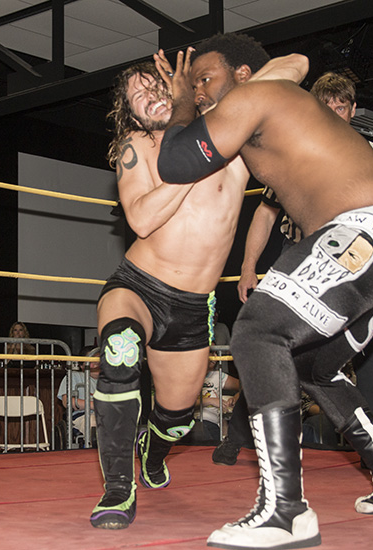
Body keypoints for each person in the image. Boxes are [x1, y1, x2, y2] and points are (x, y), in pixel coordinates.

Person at [156, 32, 373, 549]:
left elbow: (175, 163)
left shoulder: (254, 96)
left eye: (206, 78)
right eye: (195, 84)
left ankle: (285, 511)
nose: (200, 90)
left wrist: (182, 103)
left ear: (242, 75)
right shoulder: (274, 104)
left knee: (257, 332)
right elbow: (298, 62)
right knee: (311, 367)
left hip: (363, 232)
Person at [89, 52, 308, 530]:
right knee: (120, 350)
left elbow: (296, 64)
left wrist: (211, 94)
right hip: (138, 285)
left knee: (177, 417)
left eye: (154, 85)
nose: (149, 97)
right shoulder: (138, 145)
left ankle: (152, 450)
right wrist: (191, 160)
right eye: (137, 97)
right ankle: (117, 488)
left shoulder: (225, 131)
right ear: (132, 114)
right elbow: (141, 218)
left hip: (192, 305)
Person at [218, 70, 373, 471]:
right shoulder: (295, 148)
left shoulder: (365, 150)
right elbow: (265, 213)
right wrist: (247, 267)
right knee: (279, 350)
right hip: (308, 258)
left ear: (353, 110)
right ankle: (238, 436)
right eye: (326, 105)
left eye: (341, 106)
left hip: (363, 255)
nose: (334, 112)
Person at [57, 345, 99, 444]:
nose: (97, 363)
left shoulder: (111, 380)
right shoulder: (74, 376)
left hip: (109, 414)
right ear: (82, 366)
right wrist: (95, 405)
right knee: (94, 422)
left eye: (98, 360)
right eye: (92, 361)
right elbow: (67, 402)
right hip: (83, 415)